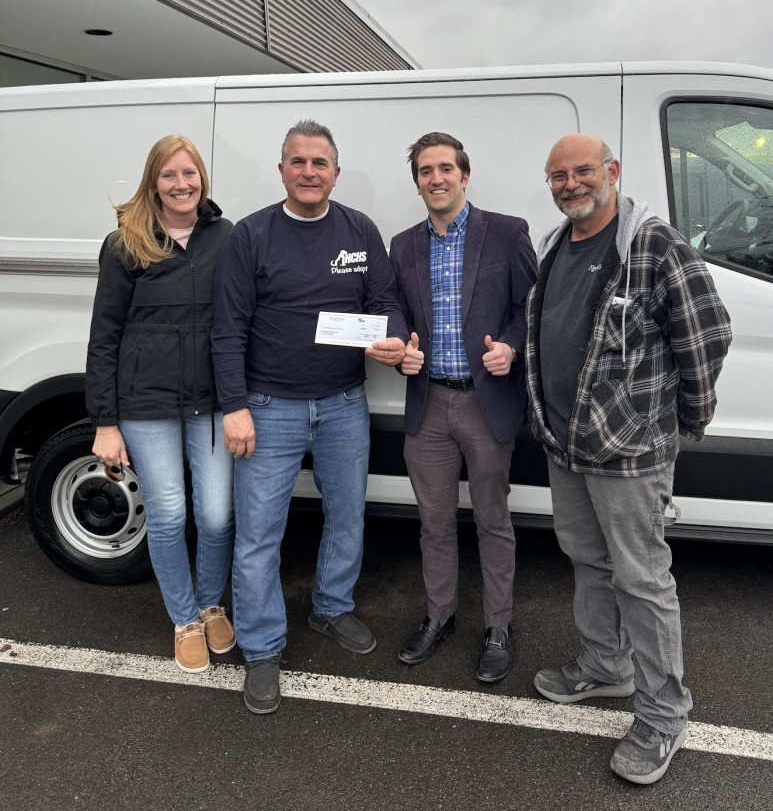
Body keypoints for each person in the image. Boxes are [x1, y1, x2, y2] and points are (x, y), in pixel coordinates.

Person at [526, 133, 732, 784]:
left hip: (628, 453)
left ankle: (663, 712)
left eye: (581, 171)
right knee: (587, 560)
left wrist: (682, 420)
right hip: (566, 445)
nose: (569, 184)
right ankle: (604, 665)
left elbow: (706, 331)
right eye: (558, 175)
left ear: (610, 171)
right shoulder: (556, 244)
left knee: (641, 579)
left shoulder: (652, 244)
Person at [211, 118, 408, 716]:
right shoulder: (251, 235)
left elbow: (384, 303)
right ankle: (263, 646)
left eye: (320, 163)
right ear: (281, 170)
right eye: (298, 161)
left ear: (335, 172)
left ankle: (331, 608)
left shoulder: (359, 229)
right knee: (259, 535)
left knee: (346, 517)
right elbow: (227, 328)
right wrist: (235, 406)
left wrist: (394, 339)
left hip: (344, 403)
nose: (309, 172)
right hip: (268, 408)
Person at [389, 132, 537, 681]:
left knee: (493, 521)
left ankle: (498, 626)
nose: (437, 178)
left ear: (464, 175)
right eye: (426, 170)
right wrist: (397, 347)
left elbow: (532, 305)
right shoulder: (402, 245)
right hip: (428, 404)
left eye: (446, 168)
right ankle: (439, 615)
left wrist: (514, 347)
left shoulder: (504, 233)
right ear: (418, 182)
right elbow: (392, 312)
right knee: (434, 523)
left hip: (486, 404)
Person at [86, 135, 235, 674]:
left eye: (189, 173)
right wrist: (105, 421)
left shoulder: (226, 236)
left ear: (202, 179)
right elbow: (104, 335)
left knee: (217, 515)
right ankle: (185, 619)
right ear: (154, 182)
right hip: (144, 405)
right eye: (169, 175)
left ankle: (211, 602)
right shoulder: (126, 243)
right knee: (169, 514)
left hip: (212, 402)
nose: (181, 184)